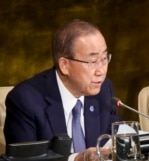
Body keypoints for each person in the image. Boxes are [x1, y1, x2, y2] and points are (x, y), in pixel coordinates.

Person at [4, 19, 120, 161]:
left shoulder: (104, 90)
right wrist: (76, 159)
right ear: (64, 65)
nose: (101, 70)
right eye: (93, 61)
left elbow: (111, 143)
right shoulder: (25, 100)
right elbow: (25, 159)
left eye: (104, 58)